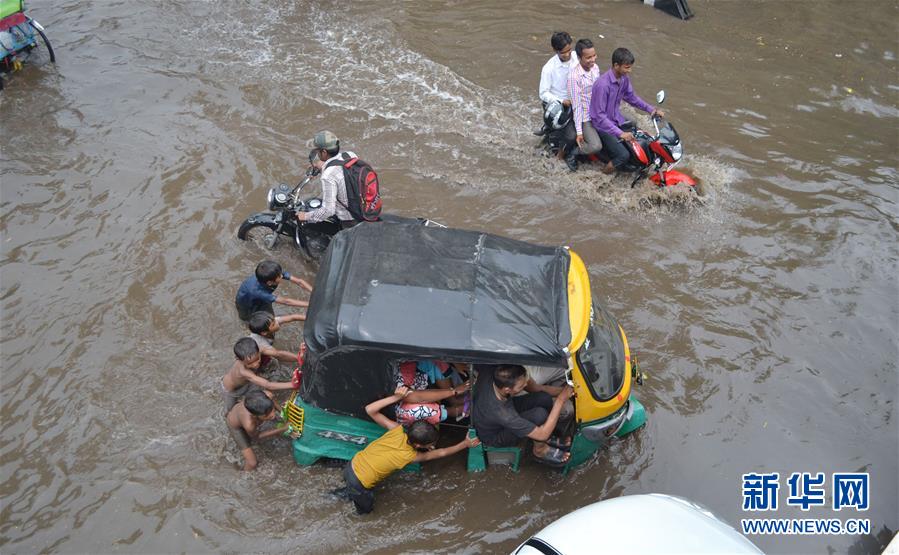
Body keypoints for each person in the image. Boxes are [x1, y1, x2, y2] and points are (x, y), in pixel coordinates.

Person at [339, 386, 480, 514]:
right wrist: (464, 444)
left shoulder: (397, 429)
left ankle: (337, 496)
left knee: (347, 493)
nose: (432, 446)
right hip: (360, 482)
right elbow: (440, 453)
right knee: (365, 513)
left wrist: (397, 397)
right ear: (418, 445)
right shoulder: (409, 456)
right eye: (430, 444)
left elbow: (370, 410)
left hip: (351, 465)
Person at [471, 364, 574, 467]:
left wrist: (563, 391)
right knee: (538, 415)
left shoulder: (492, 371)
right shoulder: (503, 414)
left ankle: (545, 439)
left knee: (544, 398)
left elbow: (533, 388)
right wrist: (560, 399)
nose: (525, 385)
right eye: (521, 386)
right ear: (507, 390)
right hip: (495, 435)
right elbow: (543, 434)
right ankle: (540, 450)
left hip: (501, 409)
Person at [589, 47, 665, 174]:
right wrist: (620, 133)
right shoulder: (602, 85)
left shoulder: (623, 79)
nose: (629, 70)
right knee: (623, 155)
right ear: (616, 65)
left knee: (638, 132)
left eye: (630, 67)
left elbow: (632, 98)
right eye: (626, 67)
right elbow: (599, 117)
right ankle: (602, 175)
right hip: (602, 126)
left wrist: (651, 109)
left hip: (615, 119)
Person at [295, 130, 357, 229]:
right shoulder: (350, 155)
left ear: (324, 152)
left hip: (350, 219)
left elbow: (328, 210)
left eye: (316, 151)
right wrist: (322, 166)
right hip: (363, 206)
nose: (316, 153)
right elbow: (340, 170)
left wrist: (305, 216)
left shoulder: (328, 176)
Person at [221, 337, 299, 415]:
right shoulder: (243, 371)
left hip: (248, 382)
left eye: (257, 359)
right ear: (239, 360)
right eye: (249, 363)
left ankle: (281, 413)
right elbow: (267, 384)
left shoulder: (258, 350)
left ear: (258, 351)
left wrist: (298, 358)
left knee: (262, 397)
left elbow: (277, 354)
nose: (255, 364)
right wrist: (292, 384)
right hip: (232, 390)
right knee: (230, 410)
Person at [537, 32, 578, 159]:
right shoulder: (549, 68)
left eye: (569, 50)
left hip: (577, 98)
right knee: (571, 136)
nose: (567, 54)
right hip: (560, 106)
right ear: (555, 50)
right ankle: (560, 157)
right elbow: (543, 93)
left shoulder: (576, 57)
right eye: (563, 52)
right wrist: (561, 101)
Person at [565, 38, 602, 172]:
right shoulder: (574, 77)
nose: (592, 60)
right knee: (595, 146)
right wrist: (579, 132)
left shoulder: (595, 68)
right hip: (586, 115)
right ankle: (573, 154)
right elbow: (577, 105)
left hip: (599, 111)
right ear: (580, 57)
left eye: (594, 56)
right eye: (588, 57)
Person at [225, 389, 286, 471]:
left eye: (272, 409)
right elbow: (257, 436)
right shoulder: (249, 424)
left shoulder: (267, 396)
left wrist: (284, 414)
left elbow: (271, 400)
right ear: (255, 416)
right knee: (252, 463)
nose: (273, 415)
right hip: (235, 426)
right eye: (267, 415)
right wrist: (282, 429)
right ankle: (242, 475)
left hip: (241, 413)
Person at [235, 260, 312, 321]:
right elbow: (286, 301)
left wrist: (314, 293)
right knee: (252, 319)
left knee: (269, 315)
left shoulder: (274, 273)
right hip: (246, 304)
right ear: (270, 282)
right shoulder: (258, 292)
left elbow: (299, 281)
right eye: (279, 276)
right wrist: (311, 304)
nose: (282, 276)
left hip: (261, 297)